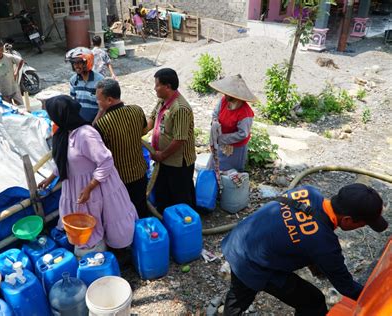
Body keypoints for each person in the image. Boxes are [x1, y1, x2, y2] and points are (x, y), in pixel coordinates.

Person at [221, 183, 388, 315]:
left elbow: (297, 230)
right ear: (348, 220)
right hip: (252, 264)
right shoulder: (325, 245)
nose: (361, 227)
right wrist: (380, 301)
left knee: (239, 293)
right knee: (313, 302)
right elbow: (346, 286)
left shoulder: (308, 191)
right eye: (363, 224)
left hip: (238, 240)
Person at [38, 95, 138, 253]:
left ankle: (117, 252)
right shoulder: (64, 132)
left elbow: (106, 161)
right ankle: (99, 251)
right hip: (79, 188)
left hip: (97, 185)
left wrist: (90, 188)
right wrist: (50, 178)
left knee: (106, 218)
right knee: (90, 223)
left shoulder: (86, 134)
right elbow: (65, 162)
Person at [94, 79, 149, 218]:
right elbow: (143, 131)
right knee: (141, 208)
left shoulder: (103, 123)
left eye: (99, 100)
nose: (97, 103)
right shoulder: (137, 110)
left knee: (124, 214)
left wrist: (100, 112)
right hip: (140, 172)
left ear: (109, 100)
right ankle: (145, 235)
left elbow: (93, 139)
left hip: (119, 179)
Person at [145, 68, 196, 213]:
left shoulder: (180, 108)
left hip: (178, 163)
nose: (155, 88)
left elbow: (179, 139)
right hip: (163, 159)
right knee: (163, 193)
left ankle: (185, 224)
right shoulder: (162, 101)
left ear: (167, 86)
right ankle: (166, 218)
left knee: (180, 197)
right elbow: (152, 119)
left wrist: (162, 155)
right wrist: (139, 132)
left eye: (157, 85)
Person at [208, 75, 256, 172]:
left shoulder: (245, 113)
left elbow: (243, 133)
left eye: (228, 94)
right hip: (220, 142)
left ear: (235, 96)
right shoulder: (224, 101)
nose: (225, 95)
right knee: (213, 168)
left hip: (235, 149)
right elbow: (215, 113)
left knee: (229, 174)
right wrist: (215, 122)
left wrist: (222, 139)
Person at [66, 47, 104, 123]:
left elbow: (102, 107)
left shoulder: (100, 80)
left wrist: (94, 124)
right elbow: (74, 102)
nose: (76, 66)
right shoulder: (73, 80)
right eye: (74, 63)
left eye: (79, 62)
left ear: (88, 62)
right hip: (80, 121)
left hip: (97, 122)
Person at [0, 38, 24, 105]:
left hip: (14, 88)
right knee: (10, 110)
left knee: (21, 107)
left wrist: (16, 71)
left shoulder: (8, 57)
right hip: (3, 91)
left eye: (1, 50)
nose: (0, 52)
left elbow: (21, 61)